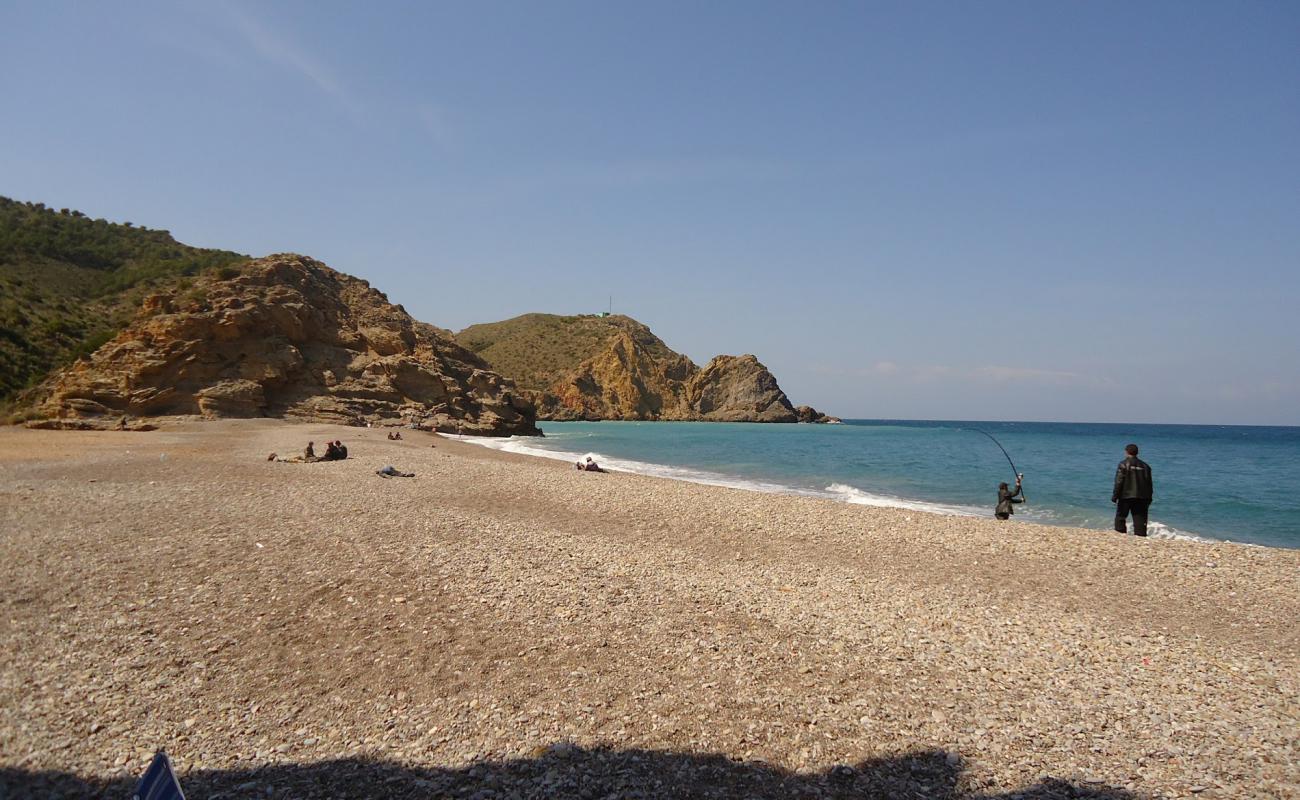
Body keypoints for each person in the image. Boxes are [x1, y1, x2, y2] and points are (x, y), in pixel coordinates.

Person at [1112, 443, 1154, 536]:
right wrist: (1149, 498)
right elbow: (1149, 484)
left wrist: (1114, 497)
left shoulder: (1123, 464)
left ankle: (1120, 536)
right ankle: (1140, 540)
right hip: (1142, 497)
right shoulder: (1146, 466)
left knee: (1120, 517)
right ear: (1137, 453)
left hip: (1125, 496)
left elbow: (1119, 482)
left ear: (1126, 452)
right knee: (1140, 520)